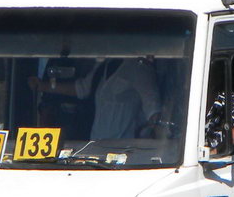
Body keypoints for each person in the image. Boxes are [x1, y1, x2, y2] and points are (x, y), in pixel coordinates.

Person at [30, 56, 161, 140]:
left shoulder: (139, 68)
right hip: (95, 150)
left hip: (124, 154)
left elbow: (154, 113)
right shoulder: (104, 65)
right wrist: (44, 86)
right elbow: (82, 89)